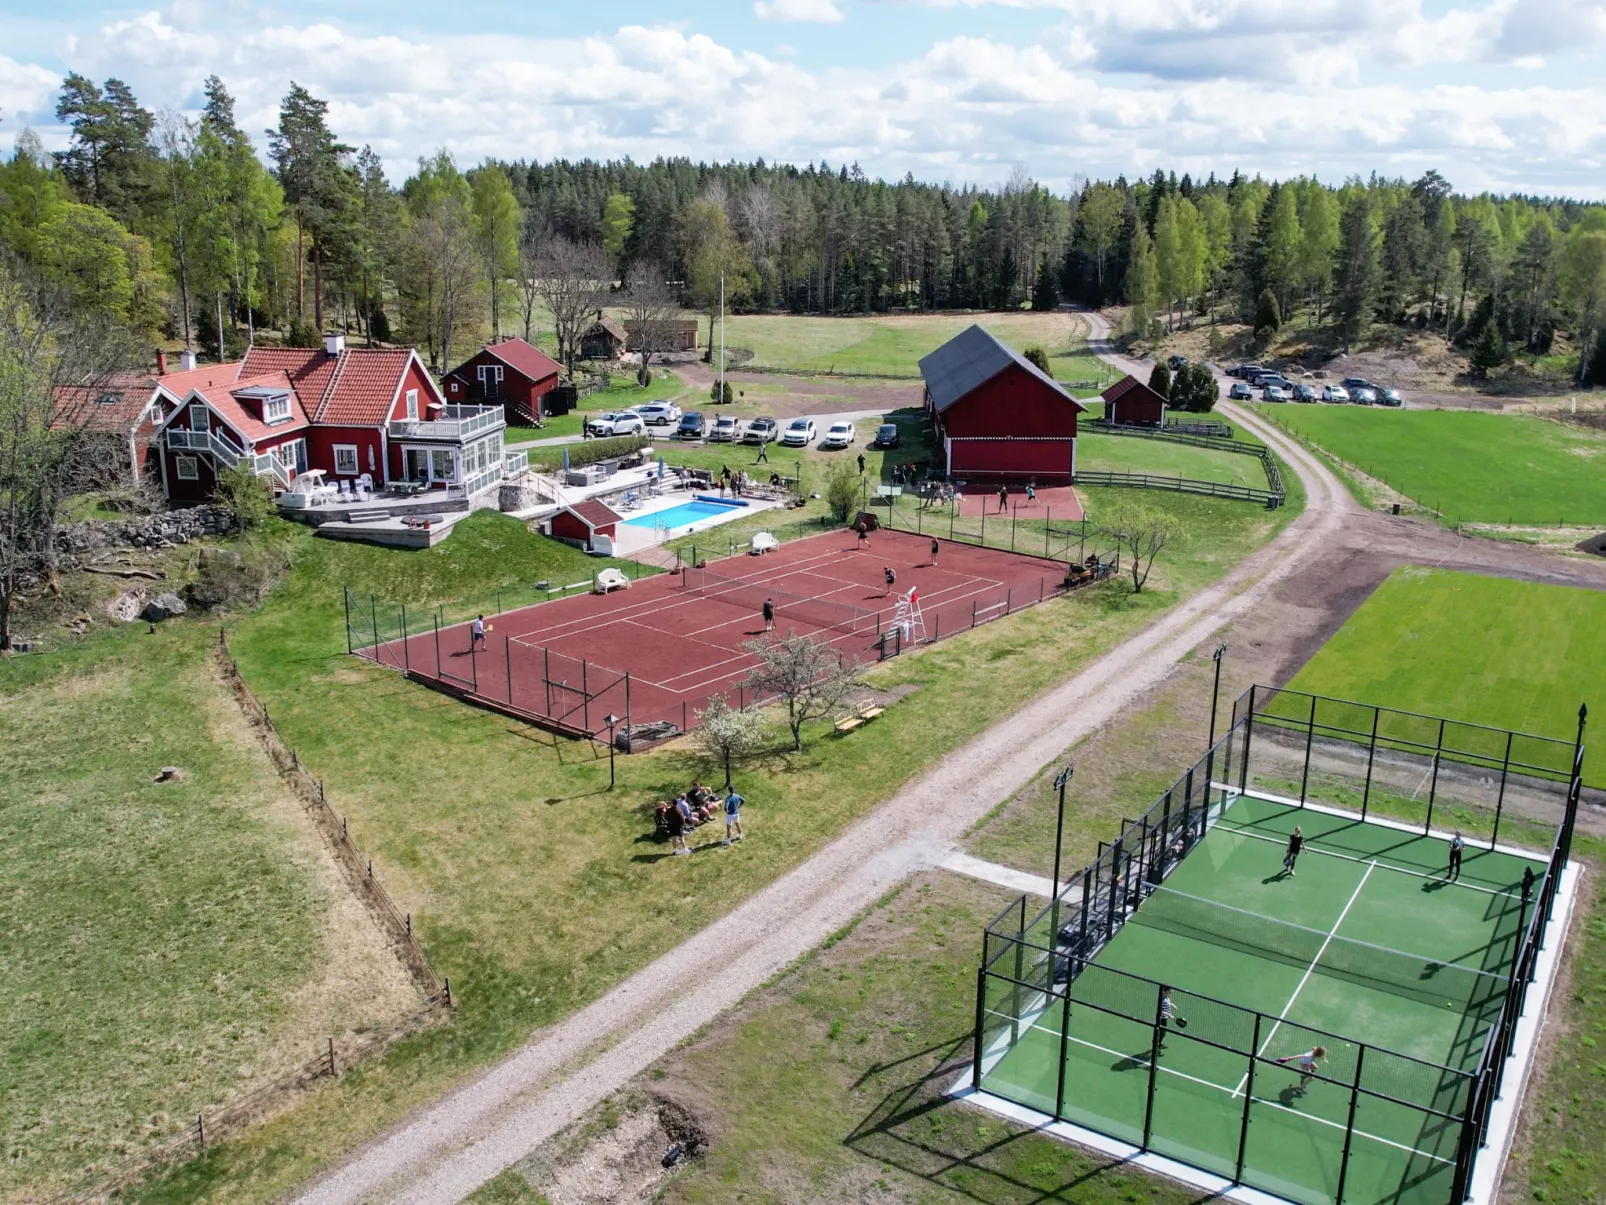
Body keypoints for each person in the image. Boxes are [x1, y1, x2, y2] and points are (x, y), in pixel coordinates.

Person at [1157, 986, 1186, 1051]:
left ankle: (1158, 1043)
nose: (1172, 990)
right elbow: (1160, 1012)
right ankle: (1158, 1044)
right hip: (1161, 1019)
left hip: (1165, 1018)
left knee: (1163, 1032)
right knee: (1162, 1032)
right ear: (1167, 990)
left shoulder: (1167, 996)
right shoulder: (1161, 998)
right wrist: (1169, 1015)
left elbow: (1168, 1002)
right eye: (1171, 989)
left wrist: (1171, 1004)